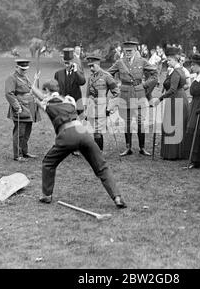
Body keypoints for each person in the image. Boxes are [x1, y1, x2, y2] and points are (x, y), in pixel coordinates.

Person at [30, 78, 127, 209]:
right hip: (83, 133)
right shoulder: (69, 100)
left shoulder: (49, 101)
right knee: (102, 167)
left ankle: (47, 195)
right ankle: (117, 197)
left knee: (48, 163)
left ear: (47, 90)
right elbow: (46, 99)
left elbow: (42, 99)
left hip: (67, 135)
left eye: (45, 91)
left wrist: (33, 89)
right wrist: (37, 93)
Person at [107, 41, 158, 156]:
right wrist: (115, 85)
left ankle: (142, 148)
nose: (128, 53)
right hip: (125, 94)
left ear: (135, 50)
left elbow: (155, 73)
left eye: (130, 51)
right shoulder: (120, 62)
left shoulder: (142, 61)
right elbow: (107, 74)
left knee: (140, 122)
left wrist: (145, 85)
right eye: (126, 51)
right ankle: (128, 147)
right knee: (127, 122)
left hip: (139, 93)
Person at [152, 46, 189, 160]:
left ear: (175, 60)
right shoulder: (178, 70)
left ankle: (174, 153)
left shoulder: (177, 72)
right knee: (174, 124)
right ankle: (175, 152)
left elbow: (172, 89)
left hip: (176, 98)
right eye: (167, 60)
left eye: (169, 60)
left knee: (173, 124)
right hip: (177, 98)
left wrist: (160, 99)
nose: (168, 62)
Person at [5, 59, 41, 161]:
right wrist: (17, 107)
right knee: (19, 133)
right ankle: (17, 155)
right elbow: (9, 94)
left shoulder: (25, 77)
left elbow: (30, 89)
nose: (24, 71)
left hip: (29, 108)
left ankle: (25, 152)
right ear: (16, 67)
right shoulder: (11, 78)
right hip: (20, 108)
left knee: (27, 132)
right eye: (22, 69)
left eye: (25, 69)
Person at [85, 55, 120, 151]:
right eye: (89, 66)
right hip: (92, 107)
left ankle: (98, 152)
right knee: (93, 130)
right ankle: (96, 151)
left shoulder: (106, 76)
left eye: (93, 66)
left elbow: (117, 93)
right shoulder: (91, 77)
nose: (91, 68)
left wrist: (110, 107)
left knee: (98, 131)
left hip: (102, 107)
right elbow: (88, 94)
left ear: (98, 64)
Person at [54, 48, 86, 115]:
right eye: (65, 63)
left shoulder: (77, 72)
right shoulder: (58, 74)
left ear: (73, 62)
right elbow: (56, 89)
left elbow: (82, 82)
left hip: (76, 102)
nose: (66, 65)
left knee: (80, 121)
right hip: (63, 102)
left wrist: (76, 71)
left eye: (68, 63)